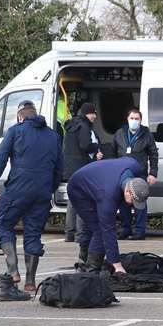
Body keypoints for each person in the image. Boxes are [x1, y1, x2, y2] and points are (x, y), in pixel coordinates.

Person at [0, 100, 62, 300]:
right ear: (34, 114)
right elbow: (59, 169)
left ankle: (13, 272)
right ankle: (30, 281)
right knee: (33, 233)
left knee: (3, 225)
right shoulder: (53, 136)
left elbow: (0, 158)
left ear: (20, 116)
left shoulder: (15, 131)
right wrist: (48, 188)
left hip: (18, 188)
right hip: (43, 191)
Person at [66, 157, 150, 273]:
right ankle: (90, 270)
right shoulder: (108, 196)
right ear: (127, 192)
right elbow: (108, 231)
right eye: (134, 201)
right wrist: (117, 264)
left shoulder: (136, 167)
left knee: (93, 227)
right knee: (99, 230)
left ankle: (85, 260)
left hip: (99, 179)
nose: (133, 206)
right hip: (78, 188)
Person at [63, 102, 102, 271]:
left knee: (73, 201)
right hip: (81, 166)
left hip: (70, 168)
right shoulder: (84, 126)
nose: (94, 116)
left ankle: (69, 232)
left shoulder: (71, 126)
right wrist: (97, 148)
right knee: (82, 202)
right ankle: (80, 234)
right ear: (87, 113)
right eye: (93, 114)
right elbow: (85, 145)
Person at [113, 108, 159, 240]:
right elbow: (113, 152)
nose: (134, 121)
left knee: (140, 200)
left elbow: (153, 154)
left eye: (137, 119)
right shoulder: (120, 133)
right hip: (122, 172)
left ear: (140, 121)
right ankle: (126, 229)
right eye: (132, 118)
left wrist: (153, 173)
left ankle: (139, 231)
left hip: (139, 172)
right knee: (123, 201)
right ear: (127, 120)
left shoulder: (146, 134)